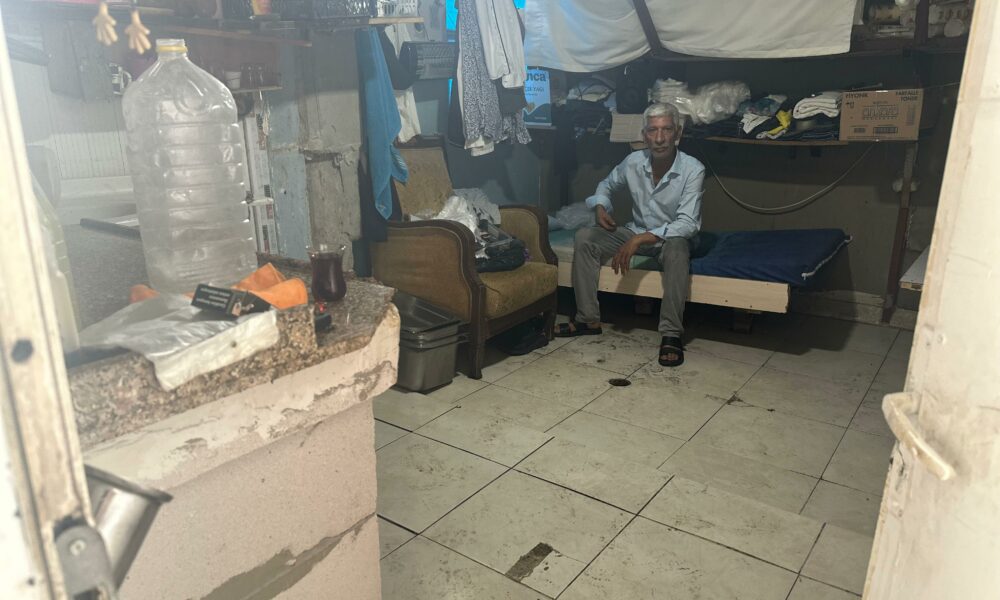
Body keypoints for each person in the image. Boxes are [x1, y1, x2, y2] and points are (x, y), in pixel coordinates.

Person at [554, 102, 705, 367]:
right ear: (644, 135)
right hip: (636, 231)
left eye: (667, 130)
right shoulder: (634, 161)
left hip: (671, 238)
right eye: (653, 130)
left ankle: (671, 333)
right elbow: (606, 184)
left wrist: (641, 238)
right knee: (585, 237)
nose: (660, 138)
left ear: (678, 133)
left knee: (678, 251)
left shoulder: (693, 169)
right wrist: (601, 206)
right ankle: (588, 319)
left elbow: (688, 223)